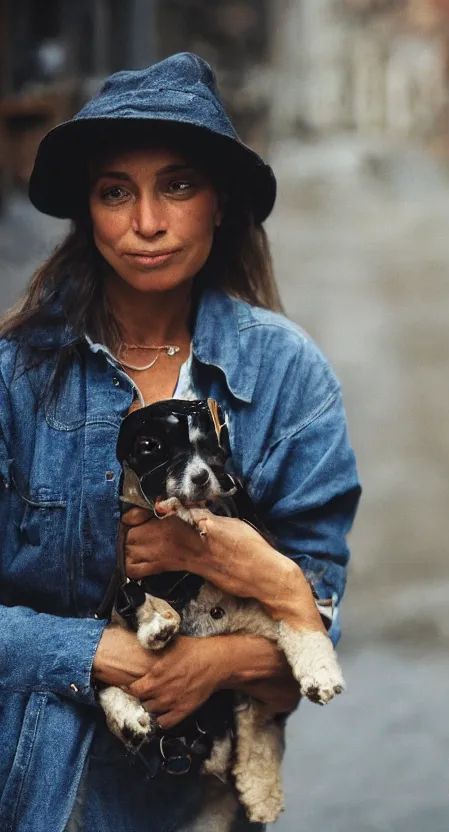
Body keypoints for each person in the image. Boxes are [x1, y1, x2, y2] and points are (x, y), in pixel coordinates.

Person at [0, 53, 360, 831]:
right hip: (35, 788)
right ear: (86, 210)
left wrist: (214, 662)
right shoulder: (16, 377)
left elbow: (316, 625)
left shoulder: (285, 374)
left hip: (202, 800)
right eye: (115, 192)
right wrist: (97, 653)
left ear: (220, 202)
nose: (147, 223)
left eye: (178, 185)